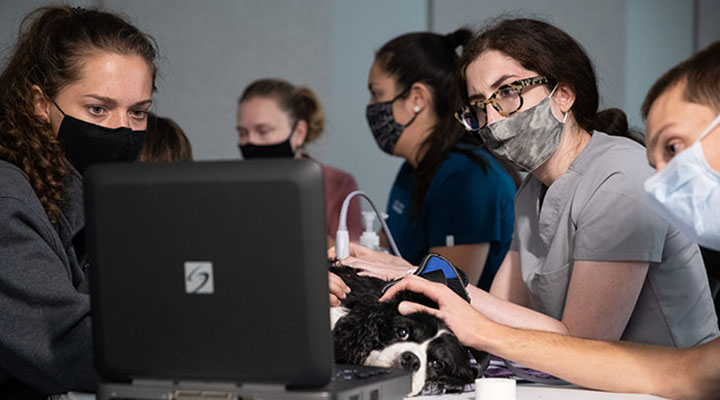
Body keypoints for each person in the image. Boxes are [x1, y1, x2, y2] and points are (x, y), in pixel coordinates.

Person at [340, 18, 718, 349]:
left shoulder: (620, 178)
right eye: (478, 105)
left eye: (507, 91)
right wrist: (409, 276)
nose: (492, 116)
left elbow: (585, 346)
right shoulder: (532, 192)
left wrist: (422, 278)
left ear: (564, 95)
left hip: (661, 385)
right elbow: (500, 310)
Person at [0, 5, 157, 397]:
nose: (122, 129)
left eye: (138, 113)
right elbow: (69, 346)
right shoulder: (7, 196)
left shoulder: (99, 195)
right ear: (39, 104)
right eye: (98, 109)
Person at [365, 29, 518, 289]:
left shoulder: (467, 180)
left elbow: (444, 291)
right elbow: (384, 250)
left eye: (377, 94)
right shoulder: (412, 170)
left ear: (417, 99)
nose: (370, 106)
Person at [236, 78, 363, 243]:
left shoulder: (337, 184)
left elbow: (354, 257)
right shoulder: (235, 186)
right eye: (242, 133)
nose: (251, 142)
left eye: (263, 131)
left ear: (299, 133)